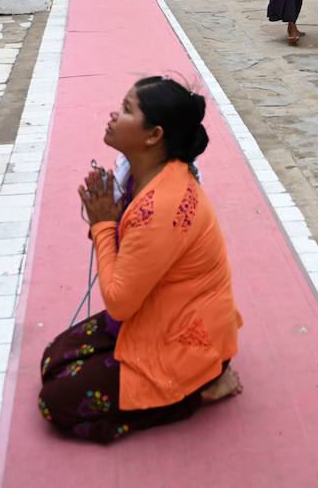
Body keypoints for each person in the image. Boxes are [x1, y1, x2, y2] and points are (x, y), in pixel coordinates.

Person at [38, 76, 243, 444]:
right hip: (157, 312)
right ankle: (203, 375)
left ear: (153, 136)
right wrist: (110, 218)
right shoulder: (138, 174)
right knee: (54, 358)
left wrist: (103, 224)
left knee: (57, 401)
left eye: (128, 109)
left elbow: (119, 301)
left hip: (183, 337)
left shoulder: (160, 205)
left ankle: (202, 388)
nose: (114, 114)